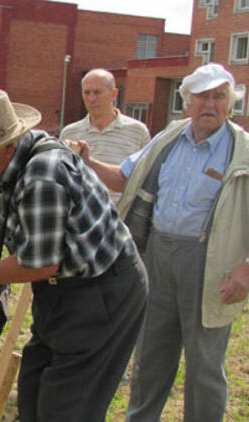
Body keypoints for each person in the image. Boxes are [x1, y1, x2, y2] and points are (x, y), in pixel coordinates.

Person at [0, 88, 147, 420]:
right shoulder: (0, 166)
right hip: (59, 292)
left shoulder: (43, 174)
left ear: (8, 144)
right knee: (33, 396)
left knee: (67, 408)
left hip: (103, 292)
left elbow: (40, 262)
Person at [72, 63, 249, 421]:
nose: (210, 104)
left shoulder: (242, 151)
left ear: (230, 103)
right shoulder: (169, 137)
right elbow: (124, 178)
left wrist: (245, 268)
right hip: (156, 257)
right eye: (202, 96)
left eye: (219, 97)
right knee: (150, 355)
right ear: (187, 102)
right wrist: (88, 161)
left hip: (211, 265)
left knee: (204, 366)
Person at [60, 68, 150, 203]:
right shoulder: (69, 133)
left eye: (97, 92)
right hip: (82, 217)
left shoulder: (137, 131)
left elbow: (145, 179)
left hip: (120, 218)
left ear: (114, 94)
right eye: (86, 93)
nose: (91, 99)